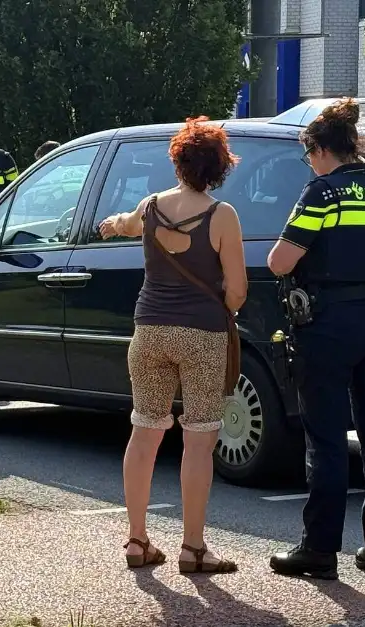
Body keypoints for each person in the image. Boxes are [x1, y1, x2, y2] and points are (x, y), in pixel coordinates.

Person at [266, 98, 365, 580]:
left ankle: (319, 550)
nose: (309, 162)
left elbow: (280, 261)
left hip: (331, 322)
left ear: (321, 149)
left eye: (309, 153)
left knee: (326, 440)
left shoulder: (322, 194)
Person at [98, 116, 246, 574]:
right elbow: (237, 290)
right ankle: (194, 548)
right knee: (199, 443)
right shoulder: (222, 216)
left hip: (149, 331)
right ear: (219, 168)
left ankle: (137, 540)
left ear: (178, 161)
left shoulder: (151, 206)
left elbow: (122, 224)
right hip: (202, 334)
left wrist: (111, 224)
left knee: (144, 434)